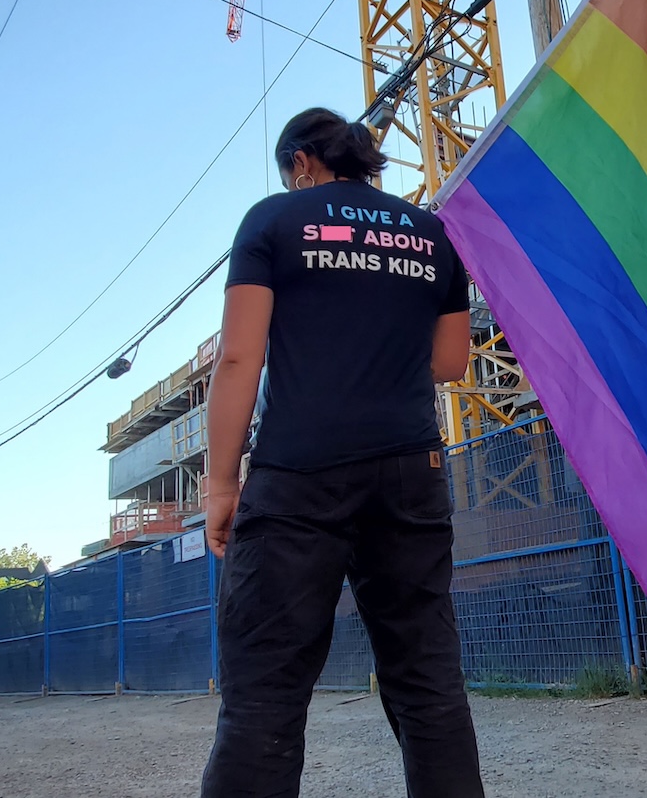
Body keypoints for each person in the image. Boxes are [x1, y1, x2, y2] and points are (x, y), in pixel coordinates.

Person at [199, 107, 482, 798]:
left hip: (298, 474)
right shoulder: (435, 234)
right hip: (410, 473)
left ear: (301, 163)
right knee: (426, 681)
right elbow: (449, 362)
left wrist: (219, 483)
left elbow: (240, 358)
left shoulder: (272, 222)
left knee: (266, 688)